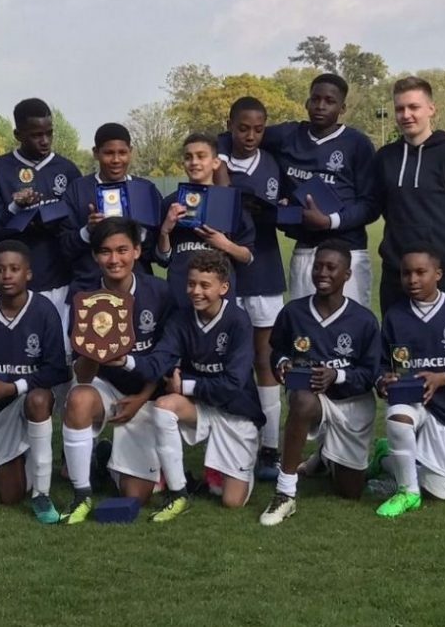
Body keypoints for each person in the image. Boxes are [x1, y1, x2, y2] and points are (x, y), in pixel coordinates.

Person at [372, 76, 445, 497]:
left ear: (431, 109)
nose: (406, 115)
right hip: (395, 279)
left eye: (414, 107)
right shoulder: (385, 158)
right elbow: (371, 208)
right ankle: (403, 456)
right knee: (400, 367)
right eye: (400, 108)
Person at [220, 74, 376, 306]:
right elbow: (229, 134)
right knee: (303, 328)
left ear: (342, 108)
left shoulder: (357, 143)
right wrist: (222, 163)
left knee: (349, 325)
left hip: (348, 249)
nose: (320, 106)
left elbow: (371, 205)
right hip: (305, 250)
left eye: (329, 101)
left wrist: (330, 221)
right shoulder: (287, 135)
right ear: (307, 102)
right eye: (315, 99)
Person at [258, 240, 381, 526]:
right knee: (301, 400)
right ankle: (285, 493)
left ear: (347, 275)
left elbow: (370, 374)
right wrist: (282, 364)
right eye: (317, 266)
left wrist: (337, 375)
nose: (322, 273)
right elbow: (278, 349)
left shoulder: (363, 320)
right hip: (312, 399)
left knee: (350, 492)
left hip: (351, 403)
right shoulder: (294, 312)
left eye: (331, 267)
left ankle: (329, 456)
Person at [59, 218, 174, 524]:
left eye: (122, 250)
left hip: (147, 391)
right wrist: (96, 348)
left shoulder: (160, 292)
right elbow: (83, 375)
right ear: (96, 256)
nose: (114, 259)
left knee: (136, 496)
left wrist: (141, 398)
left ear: (137, 251)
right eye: (106, 252)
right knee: (79, 399)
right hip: (105, 386)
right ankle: (81, 493)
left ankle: (105, 458)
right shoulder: (83, 295)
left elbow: (166, 359)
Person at [137, 250, 266, 522]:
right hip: (199, 409)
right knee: (163, 407)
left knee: (232, 501)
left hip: (237, 414)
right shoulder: (181, 318)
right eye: (191, 283)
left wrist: (185, 386)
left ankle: (223, 469)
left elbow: (232, 384)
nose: (196, 291)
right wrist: (125, 362)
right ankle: (178, 491)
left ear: (224, 288)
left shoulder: (238, 321)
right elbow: (161, 358)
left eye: (205, 285)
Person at [0, 241, 70, 523]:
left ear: (28, 274)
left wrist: (14, 386)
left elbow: (57, 370)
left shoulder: (44, 311)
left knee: (10, 496)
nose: (7, 275)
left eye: (14, 269)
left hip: (22, 399)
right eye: (0, 270)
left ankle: (41, 492)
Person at [371, 248, 445, 517]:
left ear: (438, 274)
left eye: (420, 272)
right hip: (409, 401)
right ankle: (408, 493)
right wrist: (382, 380)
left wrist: (443, 378)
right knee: (397, 418)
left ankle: (386, 458)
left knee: (437, 491)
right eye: (406, 273)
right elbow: (379, 364)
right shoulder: (395, 315)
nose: (412, 279)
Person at [217, 97, 287, 482]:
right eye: (242, 128)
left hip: (264, 272)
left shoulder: (272, 163)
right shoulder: (214, 157)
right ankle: (235, 442)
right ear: (229, 124)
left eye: (258, 129)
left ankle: (271, 447)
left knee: (264, 360)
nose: (250, 136)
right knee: (230, 359)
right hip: (226, 272)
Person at [0, 98, 82, 333]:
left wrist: (50, 219)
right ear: (18, 134)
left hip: (61, 282)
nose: (45, 140)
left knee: (60, 355)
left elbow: (75, 226)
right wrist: (15, 208)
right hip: (14, 288)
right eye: (36, 135)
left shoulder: (67, 170)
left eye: (49, 133)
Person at [59, 123, 163, 295]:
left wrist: (137, 232)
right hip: (89, 287)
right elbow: (64, 247)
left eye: (122, 153)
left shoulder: (145, 190)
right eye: (108, 153)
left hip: (137, 289)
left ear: (130, 151)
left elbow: (158, 252)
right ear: (96, 153)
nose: (116, 160)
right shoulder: (77, 190)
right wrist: (88, 231)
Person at [155, 134, 255, 309]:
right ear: (183, 164)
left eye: (201, 156)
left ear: (215, 162)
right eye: (188, 157)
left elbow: (248, 257)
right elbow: (163, 259)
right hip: (180, 296)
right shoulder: (170, 204)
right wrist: (165, 231)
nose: (194, 162)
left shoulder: (231, 203)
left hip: (220, 300)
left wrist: (224, 244)